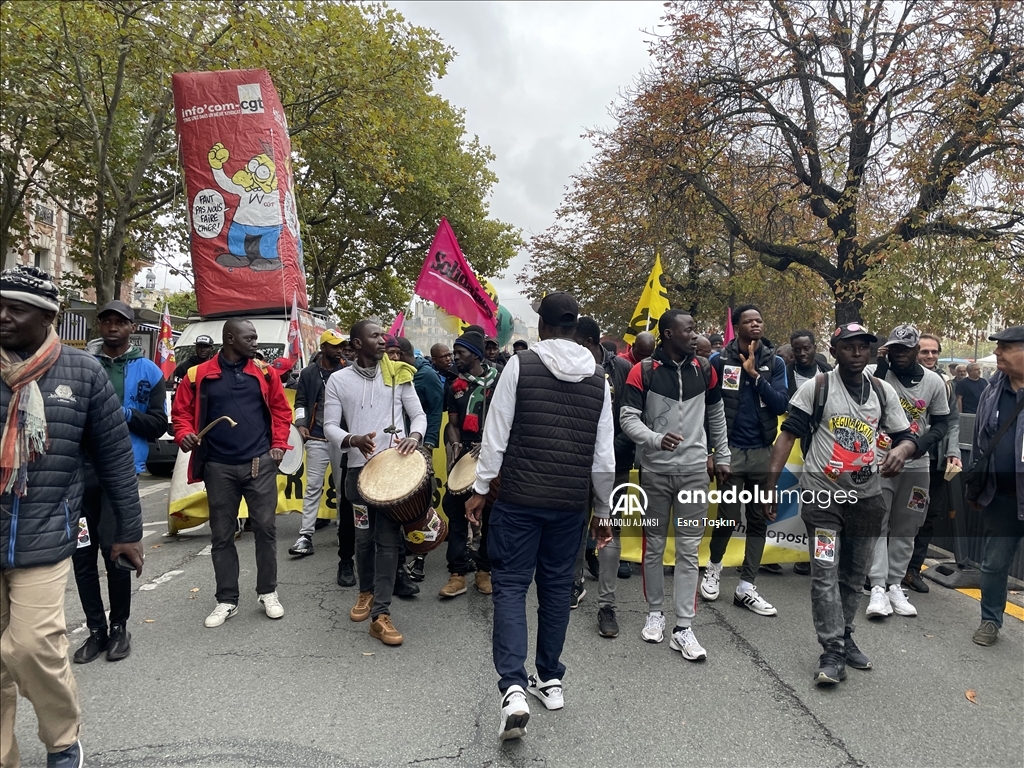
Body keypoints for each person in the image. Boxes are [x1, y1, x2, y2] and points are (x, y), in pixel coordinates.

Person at [1, 266, 144, 768]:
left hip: (44, 531)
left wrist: (128, 530)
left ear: (48, 318)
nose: (3, 316)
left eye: (15, 309)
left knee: (31, 645)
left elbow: (115, 457)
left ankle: (62, 740)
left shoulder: (82, 373)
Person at [464, 291, 614, 742]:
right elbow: (603, 455)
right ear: (575, 327)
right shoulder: (599, 378)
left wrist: (480, 489)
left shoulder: (520, 365)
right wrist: (603, 510)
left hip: (519, 500)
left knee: (510, 587)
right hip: (569, 505)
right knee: (555, 590)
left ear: (544, 326)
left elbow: (497, 434)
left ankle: (513, 687)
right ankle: (550, 680)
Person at [765, 322, 916, 686]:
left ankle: (845, 635)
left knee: (853, 576)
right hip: (823, 499)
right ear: (834, 351)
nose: (857, 352)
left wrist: (901, 451)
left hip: (866, 501)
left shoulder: (881, 391)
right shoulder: (816, 388)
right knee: (825, 571)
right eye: (848, 346)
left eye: (863, 346)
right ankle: (831, 649)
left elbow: (906, 436)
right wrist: (770, 488)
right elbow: (787, 438)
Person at [620, 309, 730, 661]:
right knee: (653, 546)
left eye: (695, 330)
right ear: (668, 334)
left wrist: (722, 455)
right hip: (655, 474)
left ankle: (684, 627)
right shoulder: (643, 371)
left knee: (688, 549)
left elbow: (716, 415)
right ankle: (655, 613)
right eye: (689, 330)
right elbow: (627, 418)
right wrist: (654, 439)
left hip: (695, 473)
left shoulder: (705, 369)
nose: (695, 336)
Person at [171, 319, 293, 628]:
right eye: (249, 338)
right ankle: (226, 600)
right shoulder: (197, 375)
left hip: (259, 464)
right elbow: (180, 413)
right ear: (229, 339)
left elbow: (281, 410)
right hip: (218, 467)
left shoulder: (265, 373)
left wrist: (279, 445)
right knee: (222, 535)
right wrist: (184, 433)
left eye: (255, 337)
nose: (255, 343)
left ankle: (268, 592)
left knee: (265, 529)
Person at [72, 301, 166, 665]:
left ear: (132, 328)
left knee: (117, 554)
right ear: (99, 326)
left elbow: (158, 425)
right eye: (107, 321)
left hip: (121, 473)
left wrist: (124, 413)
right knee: (82, 555)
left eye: (120, 322)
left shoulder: (149, 371)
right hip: (79, 474)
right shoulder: (82, 366)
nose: (113, 327)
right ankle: (95, 630)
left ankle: (119, 628)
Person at [323, 319, 426, 647]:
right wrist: (352, 439)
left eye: (384, 334)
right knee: (363, 539)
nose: (384, 340)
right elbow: (329, 425)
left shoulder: (399, 374)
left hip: (393, 474)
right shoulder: (338, 380)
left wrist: (414, 436)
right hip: (358, 475)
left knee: (388, 541)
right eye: (376, 335)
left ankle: (381, 614)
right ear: (356, 344)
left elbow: (419, 415)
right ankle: (365, 591)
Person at [702, 305, 790, 615]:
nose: (756, 324)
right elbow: (707, 409)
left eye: (759, 320)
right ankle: (713, 568)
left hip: (762, 452)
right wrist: (711, 451)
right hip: (730, 451)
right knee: (727, 516)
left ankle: (746, 586)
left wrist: (755, 376)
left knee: (758, 518)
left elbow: (781, 405)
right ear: (736, 326)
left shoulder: (775, 362)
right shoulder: (718, 360)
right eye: (749, 321)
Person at [864, 324, 949, 619]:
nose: (899, 353)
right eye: (895, 348)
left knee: (908, 526)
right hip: (880, 461)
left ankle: (895, 584)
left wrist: (918, 446)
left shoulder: (934, 381)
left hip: (916, 465)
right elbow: (863, 400)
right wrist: (880, 366)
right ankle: (877, 585)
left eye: (905, 349)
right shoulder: (876, 374)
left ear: (916, 350)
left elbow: (941, 422)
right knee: (877, 523)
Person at [571, 316, 634, 637]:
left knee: (611, 530)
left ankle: (607, 605)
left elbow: (631, 420)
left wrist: (606, 450)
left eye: (575, 343)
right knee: (575, 524)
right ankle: (574, 582)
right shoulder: (571, 368)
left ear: (590, 343)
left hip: (616, 464)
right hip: (577, 465)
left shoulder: (622, 370)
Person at [966, 326, 1024, 647]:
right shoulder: (992, 390)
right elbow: (980, 442)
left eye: (1006, 347)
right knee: (994, 564)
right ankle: (990, 620)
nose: (997, 352)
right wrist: (976, 487)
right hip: (1001, 497)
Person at [439, 329, 499, 599]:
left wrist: (488, 442)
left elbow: (510, 422)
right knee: (456, 513)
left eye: (460, 353)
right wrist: (454, 445)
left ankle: (484, 571)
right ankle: (457, 574)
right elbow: (452, 424)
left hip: (493, 454)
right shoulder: (454, 387)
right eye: (454, 353)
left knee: (492, 515)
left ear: (475, 355)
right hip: (464, 455)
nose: (455, 358)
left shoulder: (500, 382)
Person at [904, 333, 961, 593]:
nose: (930, 356)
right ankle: (885, 570)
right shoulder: (899, 378)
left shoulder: (945, 383)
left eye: (934, 352)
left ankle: (912, 570)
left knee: (928, 517)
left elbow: (952, 421)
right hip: (905, 460)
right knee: (898, 516)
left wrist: (953, 451)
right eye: (924, 351)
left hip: (935, 463)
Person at [289, 330, 348, 565]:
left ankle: (344, 531)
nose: (340, 350)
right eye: (334, 346)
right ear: (323, 348)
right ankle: (305, 535)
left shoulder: (348, 370)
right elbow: (301, 401)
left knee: (343, 488)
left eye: (341, 345)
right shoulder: (309, 373)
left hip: (343, 438)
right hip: (316, 437)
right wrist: (301, 424)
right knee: (313, 487)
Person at [788, 330, 833, 398]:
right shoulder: (786, 374)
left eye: (806, 349)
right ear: (793, 351)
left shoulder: (827, 370)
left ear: (814, 348)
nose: (802, 353)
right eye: (797, 350)